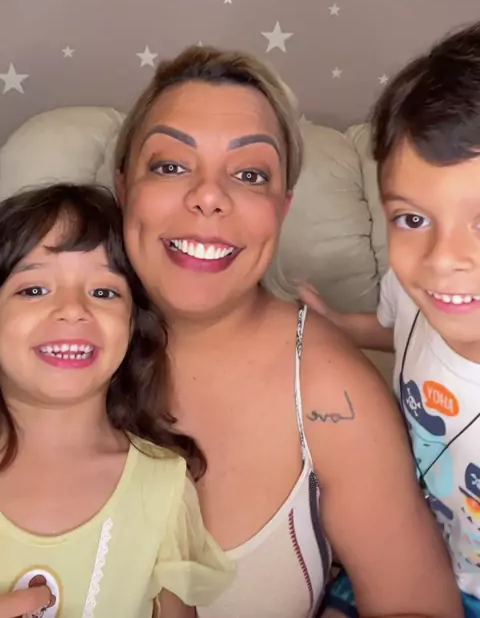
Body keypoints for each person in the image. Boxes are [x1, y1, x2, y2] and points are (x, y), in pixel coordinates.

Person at [115, 44, 462, 618]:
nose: (209, 196)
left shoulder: (331, 391)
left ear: (282, 208)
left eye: (250, 174)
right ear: (124, 188)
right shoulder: (39, 345)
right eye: (171, 166)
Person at [301, 23, 480, 617]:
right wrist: (337, 324)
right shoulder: (414, 293)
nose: (443, 259)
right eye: (413, 219)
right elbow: (396, 330)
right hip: (417, 546)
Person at [0, 183, 234, 618]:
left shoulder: (162, 487)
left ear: (133, 325)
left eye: (104, 292)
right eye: (33, 290)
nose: (73, 309)